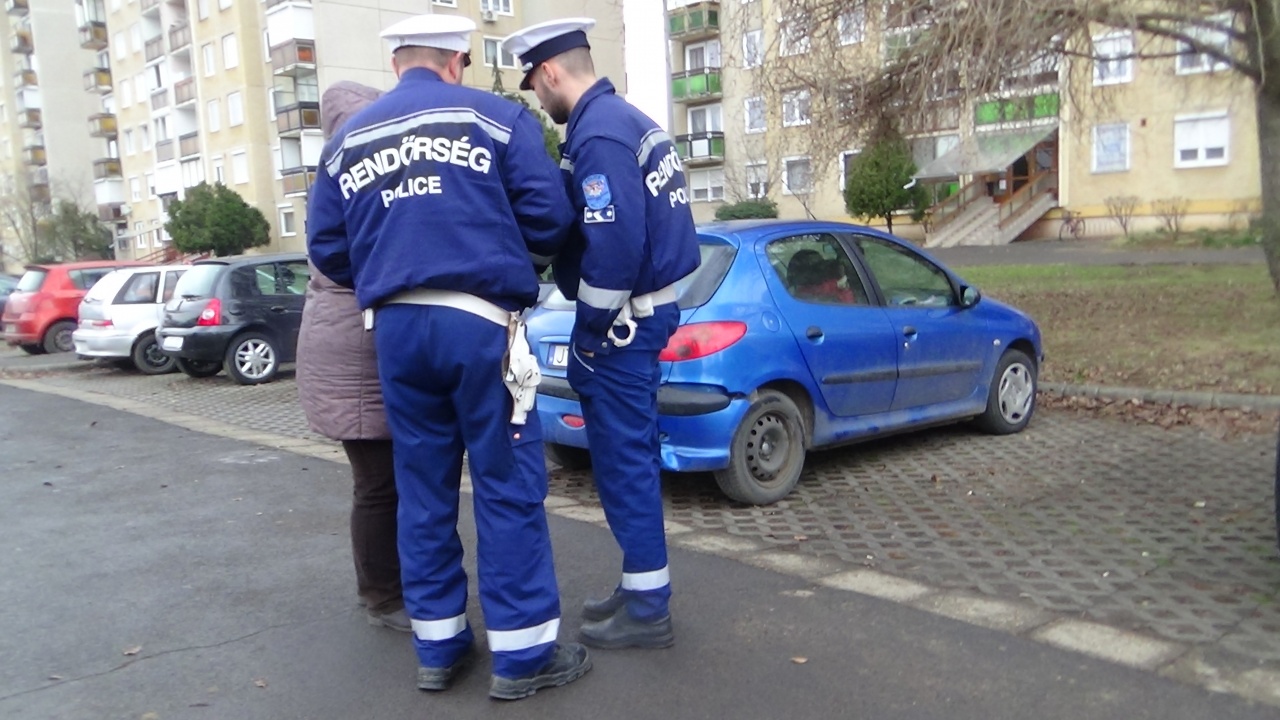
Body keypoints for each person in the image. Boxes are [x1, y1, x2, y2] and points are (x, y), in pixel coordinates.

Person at [306, 14, 591, 701]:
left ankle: (438, 646)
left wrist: (392, 261)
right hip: (481, 324)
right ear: (458, 60)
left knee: (423, 487)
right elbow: (551, 217)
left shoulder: (349, 140)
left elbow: (327, 249)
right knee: (505, 480)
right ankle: (523, 656)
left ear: (398, 64)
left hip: (396, 334)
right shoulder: (496, 119)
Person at [501, 19, 701, 650]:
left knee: (622, 464)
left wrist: (588, 333)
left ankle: (649, 611)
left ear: (552, 72)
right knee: (627, 461)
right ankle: (643, 587)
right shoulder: (623, 120)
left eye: (536, 84)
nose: (538, 97)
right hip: (640, 316)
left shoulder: (600, 133)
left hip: (620, 325)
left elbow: (614, 245)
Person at [296, 81, 409, 634]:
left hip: (351, 350)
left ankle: (392, 586)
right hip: (355, 355)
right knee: (378, 485)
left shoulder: (336, 179)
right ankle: (384, 596)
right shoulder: (351, 181)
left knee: (387, 483)